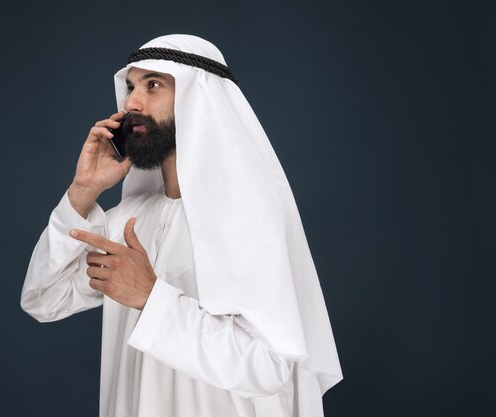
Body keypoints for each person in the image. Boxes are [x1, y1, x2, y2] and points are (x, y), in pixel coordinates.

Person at [21, 34, 342, 417]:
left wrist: (151, 298)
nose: (131, 103)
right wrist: (82, 191)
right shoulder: (129, 218)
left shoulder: (246, 214)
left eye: (153, 85)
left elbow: (270, 367)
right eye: (130, 87)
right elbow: (43, 299)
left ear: (198, 99)